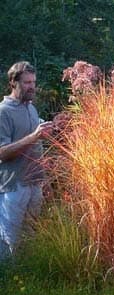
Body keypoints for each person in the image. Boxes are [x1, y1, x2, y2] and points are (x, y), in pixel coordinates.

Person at [0, 61, 53, 259]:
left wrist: (49, 129)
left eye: (34, 82)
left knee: (30, 236)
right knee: (9, 242)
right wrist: (34, 136)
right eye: (27, 82)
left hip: (34, 183)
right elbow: (2, 152)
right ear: (13, 83)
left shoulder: (31, 108)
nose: (32, 86)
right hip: (13, 186)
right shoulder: (3, 111)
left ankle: (27, 277)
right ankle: (6, 283)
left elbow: (35, 140)